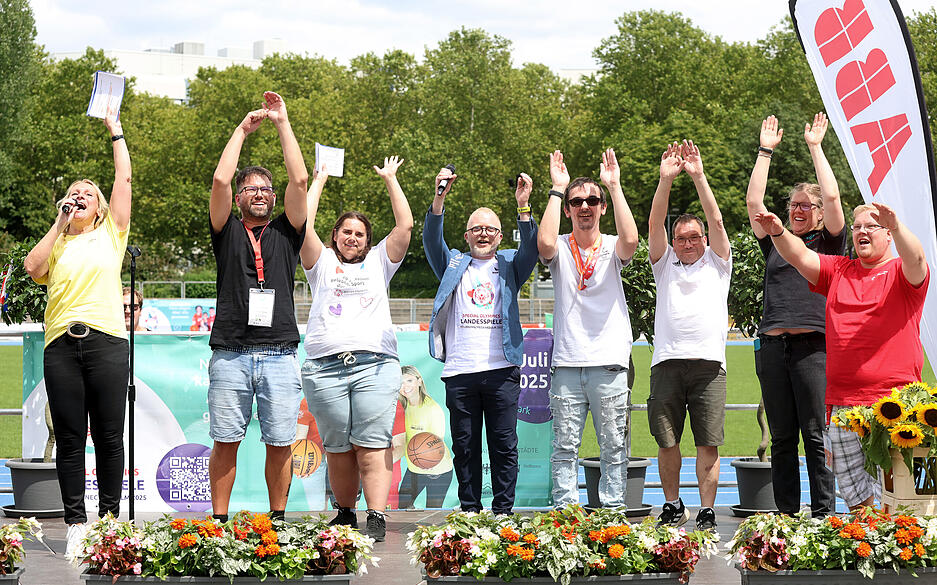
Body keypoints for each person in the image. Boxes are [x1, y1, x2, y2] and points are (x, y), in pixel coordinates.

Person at [753, 202, 929, 510]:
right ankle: (866, 544)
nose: (861, 231)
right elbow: (799, 256)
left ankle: (902, 553)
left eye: (870, 226)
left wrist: (899, 226)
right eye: (857, 226)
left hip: (895, 403)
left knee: (901, 493)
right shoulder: (839, 271)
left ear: (887, 235)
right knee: (855, 494)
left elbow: (917, 258)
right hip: (842, 403)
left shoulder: (901, 272)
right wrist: (778, 232)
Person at [23, 110, 131, 557]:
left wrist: (115, 130)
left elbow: (123, 178)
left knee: (108, 436)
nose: (80, 196)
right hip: (61, 347)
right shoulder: (60, 239)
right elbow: (32, 268)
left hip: (106, 341)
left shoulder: (112, 233)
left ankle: (108, 520)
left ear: (101, 207)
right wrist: (59, 224)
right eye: (72, 193)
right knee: (70, 437)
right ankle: (75, 522)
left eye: (88, 193)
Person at [207, 91, 307, 524]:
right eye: (253, 188)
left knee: (280, 441)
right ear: (242, 197)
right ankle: (219, 522)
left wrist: (283, 123)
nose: (261, 193)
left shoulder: (288, 231)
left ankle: (278, 520)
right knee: (225, 441)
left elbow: (300, 181)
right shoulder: (225, 229)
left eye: (267, 188)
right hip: (230, 352)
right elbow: (219, 182)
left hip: (280, 352)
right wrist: (242, 131)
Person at [299, 157, 412, 541]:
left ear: (368, 240)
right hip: (324, 368)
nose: (352, 238)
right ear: (335, 236)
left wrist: (391, 180)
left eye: (359, 234)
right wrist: (317, 181)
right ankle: (346, 513)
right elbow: (303, 224)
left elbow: (405, 226)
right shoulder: (321, 263)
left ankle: (376, 515)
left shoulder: (381, 261)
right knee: (337, 447)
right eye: (346, 232)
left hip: (374, 366)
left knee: (372, 443)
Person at [746, 114, 845, 517]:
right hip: (773, 348)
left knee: (816, 437)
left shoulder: (830, 243)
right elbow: (754, 203)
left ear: (819, 212)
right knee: (783, 439)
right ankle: (787, 517)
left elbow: (836, 200)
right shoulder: (775, 239)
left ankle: (823, 516)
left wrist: (815, 148)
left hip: (813, 350)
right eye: (794, 205)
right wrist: (765, 151)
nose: (799, 210)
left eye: (807, 205)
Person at [424, 167, 538, 515]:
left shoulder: (509, 265)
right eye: (477, 229)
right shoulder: (453, 263)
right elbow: (431, 240)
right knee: (465, 447)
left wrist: (523, 208)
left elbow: (532, 249)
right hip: (460, 373)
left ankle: (504, 513)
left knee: (504, 446)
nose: (483, 234)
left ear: (501, 236)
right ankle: (470, 511)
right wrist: (439, 197)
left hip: (501, 371)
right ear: (467, 235)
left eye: (490, 229)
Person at [538, 148, 638, 509]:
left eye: (592, 200)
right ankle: (566, 515)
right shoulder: (562, 247)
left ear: (601, 207)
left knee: (614, 448)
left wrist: (614, 186)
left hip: (609, 363)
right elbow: (544, 243)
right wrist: (556, 187)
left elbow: (632, 240)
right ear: (567, 209)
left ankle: (611, 516)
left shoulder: (611, 246)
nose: (585, 206)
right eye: (576, 201)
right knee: (564, 448)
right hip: (567, 364)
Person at [647, 141, 731, 531]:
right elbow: (654, 223)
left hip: (710, 366)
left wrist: (699, 177)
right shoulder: (664, 266)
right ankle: (672, 503)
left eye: (694, 237)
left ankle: (708, 508)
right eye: (681, 238)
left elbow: (716, 220)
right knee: (667, 442)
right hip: (666, 363)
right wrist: (666, 181)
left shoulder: (718, 263)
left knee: (708, 443)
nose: (687, 243)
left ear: (704, 240)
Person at [393, 365, 454, 509]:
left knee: (431, 512)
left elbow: (435, 446)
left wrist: (424, 456)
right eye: (401, 383)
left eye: (409, 380)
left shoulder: (432, 409)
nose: (405, 386)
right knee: (402, 506)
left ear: (419, 381)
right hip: (415, 469)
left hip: (438, 472)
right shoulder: (402, 406)